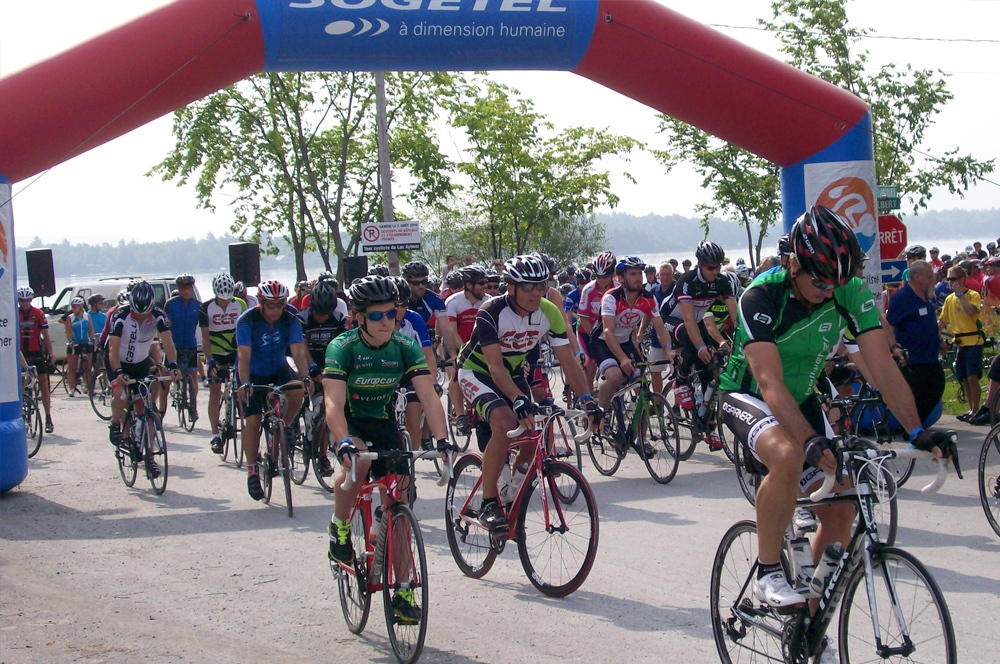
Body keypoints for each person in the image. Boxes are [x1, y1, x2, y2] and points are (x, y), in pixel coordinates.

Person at [718, 206, 955, 658]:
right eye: (820, 281)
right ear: (794, 264)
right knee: (789, 454)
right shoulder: (760, 297)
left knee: (842, 514)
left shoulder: (846, 288)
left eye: (836, 282)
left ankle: (806, 625)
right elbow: (768, 382)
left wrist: (920, 430)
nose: (829, 290)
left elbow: (882, 366)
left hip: (803, 396)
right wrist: (809, 440)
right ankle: (769, 570)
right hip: (748, 396)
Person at [324, 276, 455, 624]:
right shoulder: (343, 347)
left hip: (381, 422)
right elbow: (333, 403)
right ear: (358, 317)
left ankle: (403, 590)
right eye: (377, 315)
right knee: (359, 466)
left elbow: (428, 394)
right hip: (350, 424)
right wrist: (343, 442)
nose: (387, 322)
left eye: (392, 314)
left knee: (400, 498)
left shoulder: (404, 345)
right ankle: (339, 527)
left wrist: (442, 441)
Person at [456, 254, 600, 531]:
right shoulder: (491, 311)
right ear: (510, 287)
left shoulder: (549, 312)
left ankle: (512, 489)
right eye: (528, 286)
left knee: (534, 434)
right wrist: (519, 399)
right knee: (506, 422)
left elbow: (568, 361)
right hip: (477, 371)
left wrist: (588, 400)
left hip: (511, 372)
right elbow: (494, 366)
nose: (537, 292)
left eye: (542, 285)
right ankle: (488, 503)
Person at [236, 280, 310, 501]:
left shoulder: (291, 319)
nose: (277, 309)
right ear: (260, 303)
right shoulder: (247, 320)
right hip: (253, 372)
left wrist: (305, 377)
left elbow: (298, 352)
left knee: (297, 389)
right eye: (271, 305)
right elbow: (243, 355)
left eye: (280, 304)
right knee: (253, 420)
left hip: (278, 368)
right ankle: (251, 470)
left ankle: (285, 426)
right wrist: (245, 382)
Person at [591, 256, 673, 454]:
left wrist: (670, 351)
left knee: (643, 385)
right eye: (633, 274)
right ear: (621, 278)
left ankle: (642, 439)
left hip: (625, 342)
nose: (638, 278)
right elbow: (609, 332)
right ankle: (602, 412)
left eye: (640, 273)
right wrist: (622, 359)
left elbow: (660, 328)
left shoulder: (647, 298)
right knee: (615, 376)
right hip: (602, 342)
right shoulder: (611, 297)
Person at [659, 241, 737, 447]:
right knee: (694, 342)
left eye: (718, 266)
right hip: (671, 318)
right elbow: (688, 320)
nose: (715, 271)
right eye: (711, 267)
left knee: (710, 374)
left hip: (696, 320)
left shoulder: (721, 281)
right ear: (700, 264)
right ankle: (680, 380)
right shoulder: (687, 281)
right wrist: (702, 346)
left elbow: (736, 317)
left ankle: (707, 424)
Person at [106, 281, 180, 477]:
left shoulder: (157, 316)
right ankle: (115, 422)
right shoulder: (120, 316)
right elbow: (112, 349)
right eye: (137, 314)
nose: (141, 318)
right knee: (121, 395)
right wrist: (118, 371)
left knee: (143, 406)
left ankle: (149, 458)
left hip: (139, 361)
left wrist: (172, 365)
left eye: (145, 314)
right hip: (118, 360)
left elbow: (168, 342)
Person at [885, 261, 945, 426]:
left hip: (930, 356)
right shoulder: (902, 297)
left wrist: (940, 341)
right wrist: (893, 348)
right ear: (916, 276)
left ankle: (916, 428)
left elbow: (929, 322)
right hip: (913, 358)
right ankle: (912, 429)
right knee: (917, 394)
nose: (931, 279)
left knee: (936, 386)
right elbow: (889, 326)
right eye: (928, 276)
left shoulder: (926, 296)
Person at [200, 272, 248, 454]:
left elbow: (245, 330)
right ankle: (215, 436)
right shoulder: (206, 308)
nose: (225, 303)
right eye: (222, 299)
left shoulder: (240, 304)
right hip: (216, 354)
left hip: (236, 352)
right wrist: (210, 361)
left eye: (228, 299)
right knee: (214, 393)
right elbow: (205, 338)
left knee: (242, 392)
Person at [443, 265, 488, 434]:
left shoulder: (488, 301)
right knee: (456, 373)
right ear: (469, 285)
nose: (485, 286)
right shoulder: (453, 302)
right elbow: (451, 330)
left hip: (481, 346)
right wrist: (461, 351)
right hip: (456, 344)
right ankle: (461, 415)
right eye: (482, 283)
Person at [939, 264, 985, 421]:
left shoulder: (973, 295)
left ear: (962, 279)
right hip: (959, 342)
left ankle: (976, 409)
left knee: (973, 377)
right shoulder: (949, 299)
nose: (951, 283)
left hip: (974, 340)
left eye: (954, 279)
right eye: (949, 279)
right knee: (964, 377)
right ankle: (971, 409)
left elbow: (971, 311)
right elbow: (942, 321)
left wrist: (960, 294)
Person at [576, 251, 618, 392]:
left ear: (612, 273)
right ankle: (588, 400)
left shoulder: (618, 289)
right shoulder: (588, 290)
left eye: (605, 276)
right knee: (591, 366)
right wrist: (597, 338)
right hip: (587, 332)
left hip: (609, 332)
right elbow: (584, 319)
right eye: (598, 276)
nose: (601, 280)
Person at [163, 274, 201, 420]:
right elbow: (167, 326)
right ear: (179, 289)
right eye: (183, 288)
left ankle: (193, 406)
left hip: (191, 345)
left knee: (193, 377)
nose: (186, 291)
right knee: (167, 379)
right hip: (174, 346)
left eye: (189, 288)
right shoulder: (171, 304)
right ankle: (161, 409)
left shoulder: (197, 305)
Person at [18, 287, 55, 433]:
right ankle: (22, 414)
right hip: (22, 354)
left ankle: (48, 417)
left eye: (27, 300)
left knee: (44, 386)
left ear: (31, 300)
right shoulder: (15, 314)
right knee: (21, 386)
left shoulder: (38, 313)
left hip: (37, 353)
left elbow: (45, 334)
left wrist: (50, 353)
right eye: (22, 300)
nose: (25, 303)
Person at [647, 261, 677, 394]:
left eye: (668, 275)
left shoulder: (678, 290)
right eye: (663, 275)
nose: (665, 277)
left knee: (677, 372)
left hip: (676, 337)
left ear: (673, 275)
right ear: (658, 276)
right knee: (655, 371)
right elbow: (646, 315)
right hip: (656, 337)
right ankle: (658, 402)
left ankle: (677, 405)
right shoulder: (653, 291)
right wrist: (640, 333)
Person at [61, 296, 95, 396]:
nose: (73, 308)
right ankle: (71, 389)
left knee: (88, 368)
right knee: (72, 368)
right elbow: (68, 331)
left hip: (86, 342)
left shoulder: (86, 316)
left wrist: (93, 339)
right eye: (72, 306)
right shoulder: (70, 317)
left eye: (75, 306)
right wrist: (70, 341)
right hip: (74, 344)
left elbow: (91, 329)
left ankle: (89, 388)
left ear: (80, 306)